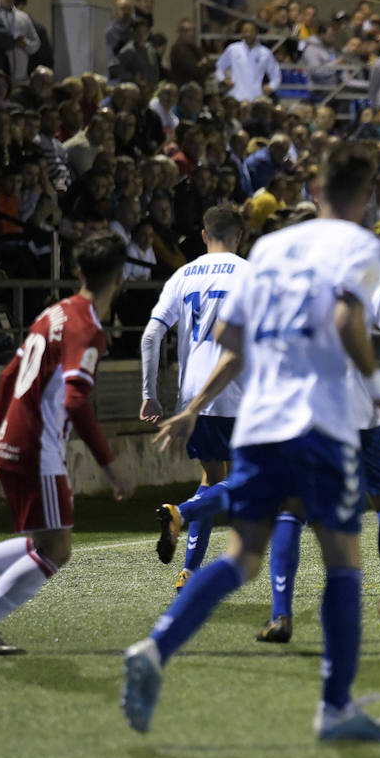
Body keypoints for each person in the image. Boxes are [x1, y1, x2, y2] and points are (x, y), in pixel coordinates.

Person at [122, 142, 380, 741]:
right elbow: (349, 320)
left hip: (258, 425)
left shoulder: (270, 249)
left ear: (316, 191)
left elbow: (228, 336)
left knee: (240, 558)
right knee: (344, 562)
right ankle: (335, 709)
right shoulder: (359, 245)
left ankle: (154, 648)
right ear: (366, 196)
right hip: (319, 425)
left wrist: (192, 408)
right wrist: (375, 378)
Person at [0, 233, 137, 655]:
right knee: (57, 548)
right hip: (39, 447)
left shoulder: (54, 312)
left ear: (78, 272)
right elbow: (76, 400)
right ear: (120, 277)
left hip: (20, 438)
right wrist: (111, 465)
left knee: (42, 541)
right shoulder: (87, 328)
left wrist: (0, 439)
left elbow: (6, 377)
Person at [259, 274, 380, 643]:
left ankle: (281, 615)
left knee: (291, 509)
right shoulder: (367, 275)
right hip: (359, 415)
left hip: (304, 414)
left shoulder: (290, 274)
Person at [141, 206, 249, 590]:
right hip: (235, 390)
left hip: (192, 398)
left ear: (204, 236)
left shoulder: (182, 275)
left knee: (213, 476)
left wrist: (149, 394)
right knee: (256, 478)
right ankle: (181, 512)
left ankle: (189, 569)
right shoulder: (249, 273)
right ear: (239, 237)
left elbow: (151, 336)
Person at [216, 21, 279, 103]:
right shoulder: (233, 49)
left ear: (256, 32)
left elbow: (275, 73)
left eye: (251, 31)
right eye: (245, 31)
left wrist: (271, 86)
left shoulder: (265, 52)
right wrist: (223, 79)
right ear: (242, 33)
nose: (248, 34)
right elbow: (219, 67)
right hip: (236, 96)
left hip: (256, 97)